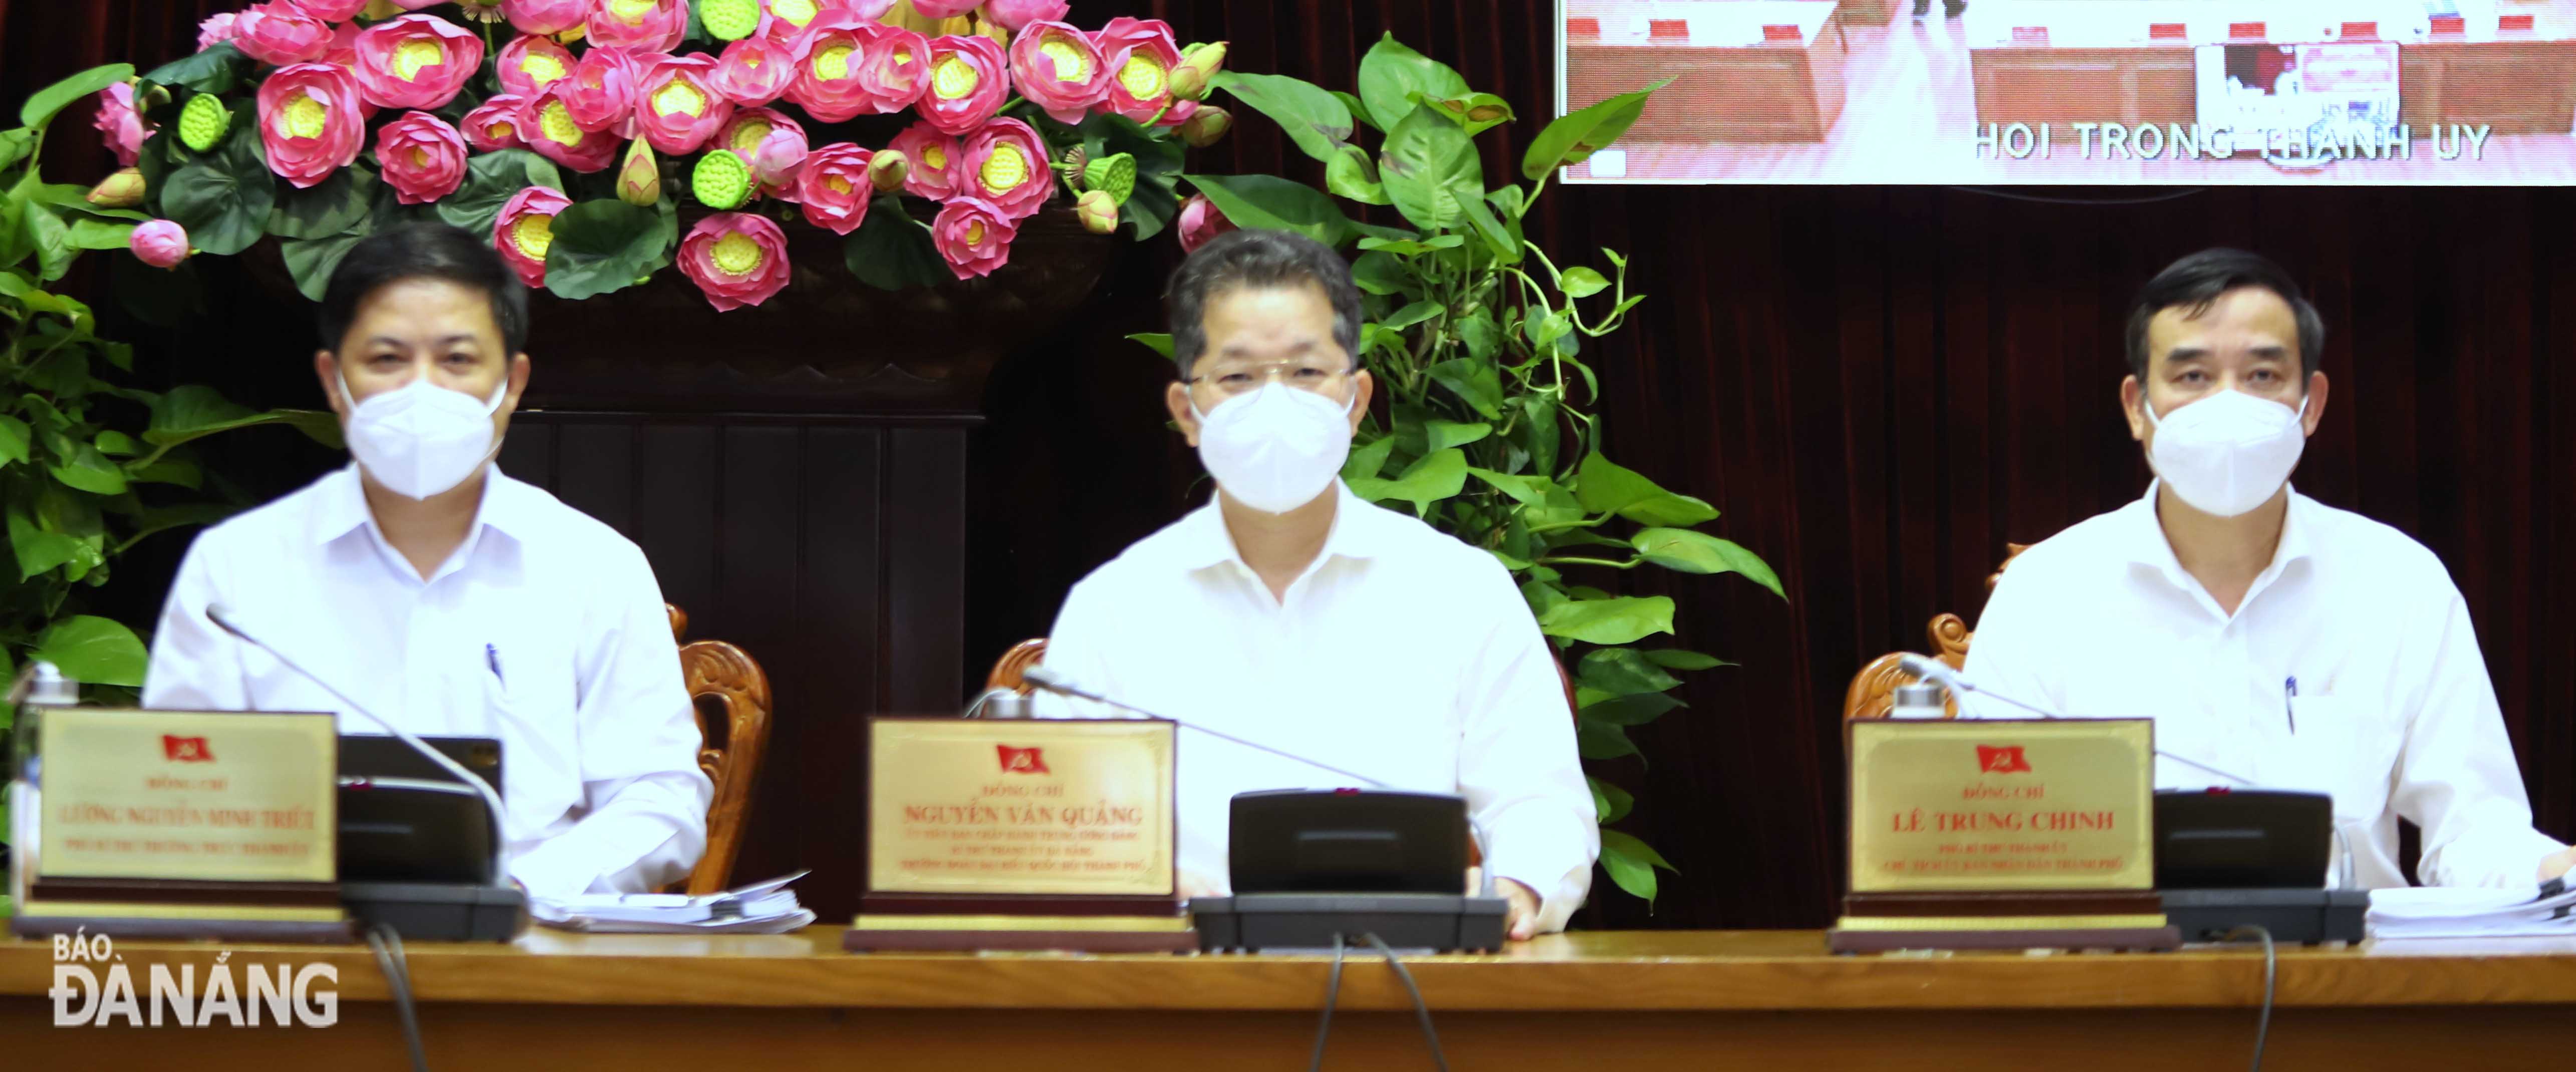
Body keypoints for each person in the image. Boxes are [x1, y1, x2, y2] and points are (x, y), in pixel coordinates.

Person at [1033, 229, 1598, 938]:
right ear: (1186, 411)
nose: (1274, 401)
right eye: (1237, 377)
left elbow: (1540, 807)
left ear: (1355, 401)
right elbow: (1060, 829)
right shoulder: (1114, 606)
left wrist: (1508, 891)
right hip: (1182, 992)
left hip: (1417, 989)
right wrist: (1125, 884)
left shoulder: (1460, 588)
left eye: (1305, 373)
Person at [1962, 248, 2575, 889]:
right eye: (2193, 377)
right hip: (2118, 972)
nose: (2228, 406)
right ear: (2136, 408)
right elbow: (1995, 839)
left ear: (2310, 404)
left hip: (2355, 975)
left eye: (2261, 376)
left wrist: (2555, 871)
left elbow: (2475, 829)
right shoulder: (2049, 591)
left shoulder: (2399, 582)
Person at [143, 223, 710, 898]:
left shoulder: (593, 564)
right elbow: (176, 788)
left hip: (529, 945)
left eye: (457, 360)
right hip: (294, 950)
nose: (422, 390)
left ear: (513, 381)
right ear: (333, 380)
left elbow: (660, 798)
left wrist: (519, 889)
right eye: (386, 359)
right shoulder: (235, 568)